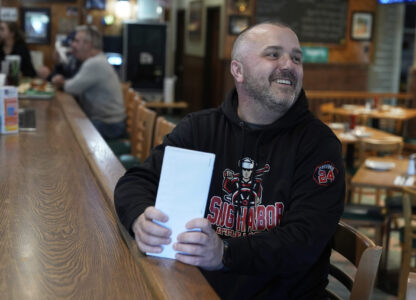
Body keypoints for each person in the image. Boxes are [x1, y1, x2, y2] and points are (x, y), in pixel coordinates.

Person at [114, 21, 345, 299]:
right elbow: (137, 180)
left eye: (296, 58)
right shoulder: (201, 129)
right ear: (238, 70)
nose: (289, 65)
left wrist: (224, 253)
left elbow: (304, 241)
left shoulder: (319, 145)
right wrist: (139, 217)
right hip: (196, 287)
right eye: (273, 54)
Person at [52, 25, 126, 140]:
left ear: (88, 44)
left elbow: (71, 87)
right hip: (109, 122)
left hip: (110, 126)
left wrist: (61, 81)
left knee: (66, 131)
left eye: (76, 41)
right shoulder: (97, 60)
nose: (72, 45)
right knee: (68, 125)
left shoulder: (95, 63)